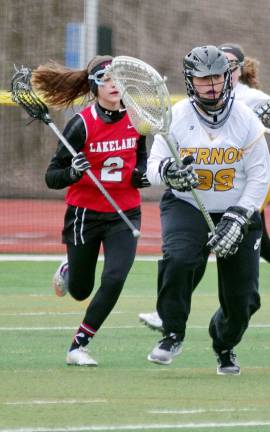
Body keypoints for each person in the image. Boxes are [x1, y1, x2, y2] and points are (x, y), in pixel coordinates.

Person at [138, 43, 270, 332]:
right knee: (197, 248)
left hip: (244, 183)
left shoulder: (250, 99)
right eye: (206, 74)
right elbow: (157, 162)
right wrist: (172, 172)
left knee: (246, 242)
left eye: (224, 68)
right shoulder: (188, 108)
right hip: (199, 187)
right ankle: (173, 309)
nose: (212, 79)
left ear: (236, 71)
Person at [145, 45, 270, 375]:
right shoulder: (176, 115)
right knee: (179, 258)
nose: (211, 85)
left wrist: (239, 215)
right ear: (191, 81)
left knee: (243, 300)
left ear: (227, 77)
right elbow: (153, 166)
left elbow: (260, 175)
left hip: (236, 208)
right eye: (203, 79)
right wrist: (171, 173)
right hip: (187, 204)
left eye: (216, 77)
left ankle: (224, 343)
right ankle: (172, 332)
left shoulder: (245, 119)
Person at [35, 55, 150, 366]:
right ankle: (69, 270)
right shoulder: (81, 124)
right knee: (80, 290)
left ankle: (79, 345)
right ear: (95, 85)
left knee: (114, 278)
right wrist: (73, 171)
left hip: (124, 214)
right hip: (84, 213)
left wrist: (142, 175)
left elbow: (141, 159)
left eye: (119, 79)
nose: (114, 85)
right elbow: (51, 177)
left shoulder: (138, 119)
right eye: (107, 79)